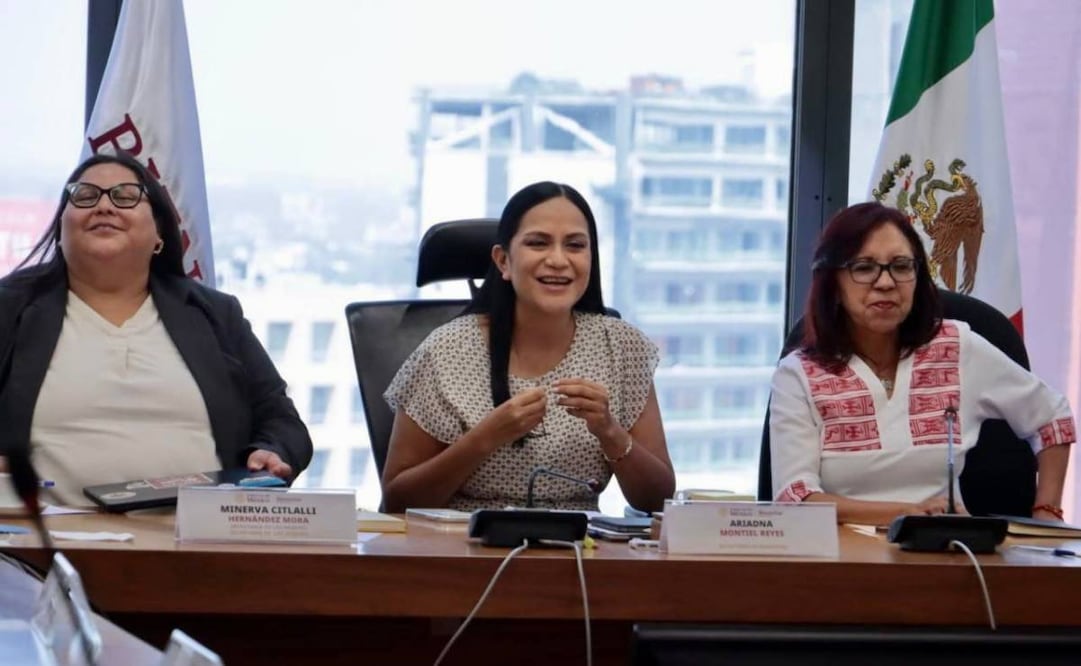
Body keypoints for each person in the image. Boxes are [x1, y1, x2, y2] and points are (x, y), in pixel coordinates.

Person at [0, 152, 312, 506]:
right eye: (85, 196)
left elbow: (282, 420)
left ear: (159, 233)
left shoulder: (215, 314)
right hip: (45, 541)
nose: (104, 206)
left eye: (126, 196)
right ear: (59, 229)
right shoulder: (10, 308)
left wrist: (271, 451)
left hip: (194, 539)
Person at [770, 202, 1074, 526]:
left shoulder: (955, 346)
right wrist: (906, 514)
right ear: (833, 282)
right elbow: (796, 499)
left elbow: (1053, 418)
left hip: (947, 556)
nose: (885, 282)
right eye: (864, 267)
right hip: (844, 565)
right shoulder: (799, 374)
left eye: (901, 266)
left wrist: (1047, 514)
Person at [381, 181, 675, 512]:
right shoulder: (446, 350)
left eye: (575, 245)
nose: (558, 260)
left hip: (581, 553)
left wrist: (610, 432)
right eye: (538, 243)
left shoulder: (622, 346)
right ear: (503, 261)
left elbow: (657, 500)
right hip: (464, 549)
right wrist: (483, 439)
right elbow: (396, 501)